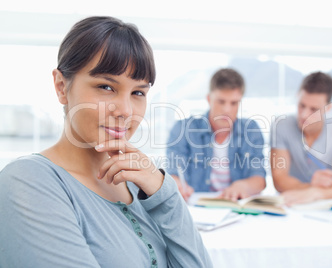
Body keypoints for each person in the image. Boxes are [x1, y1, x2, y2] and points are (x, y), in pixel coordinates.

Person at [0, 16, 212, 267]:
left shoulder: (141, 185)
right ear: (60, 86)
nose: (125, 110)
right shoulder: (27, 182)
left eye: (138, 93)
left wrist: (164, 191)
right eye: (106, 87)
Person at [166, 68, 266, 202]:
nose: (227, 109)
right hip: (195, 208)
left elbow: (259, 179)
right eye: (221, 101)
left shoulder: (251, 130)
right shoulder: (183, 129)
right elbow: (173, 171)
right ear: (209, 99)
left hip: (236, 209)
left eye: (234, 103)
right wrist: (176, 183)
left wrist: (243, 186)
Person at [270, 71, 332, 206]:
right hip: (290, 204)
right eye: (301, 105)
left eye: (313, 109)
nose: (304, 115)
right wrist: (311, 187)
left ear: (328, 108)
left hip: (328, 206)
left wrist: (315, 193)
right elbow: (280, 180)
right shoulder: (281, 126)